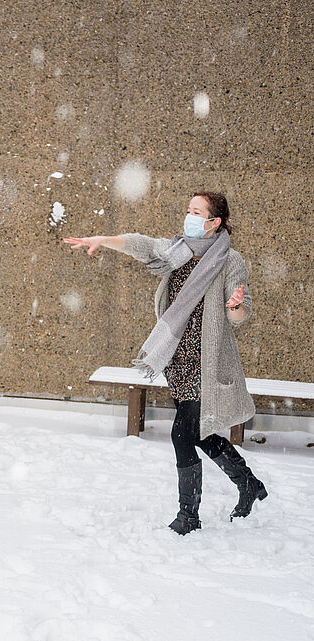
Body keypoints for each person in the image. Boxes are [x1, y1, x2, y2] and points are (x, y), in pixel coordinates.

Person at [64, 191, 267, 535]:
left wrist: (235, 306)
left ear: (214, 222)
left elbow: (241, 311)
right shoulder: (178, 250)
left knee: (181, 433)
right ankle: (248, 484)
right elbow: (142, 244)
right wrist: (102, 239)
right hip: (177, 360)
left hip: (207, 363)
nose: (188, 215)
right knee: (199, 434)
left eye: (197, 211)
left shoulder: (229, 260)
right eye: (188, 209)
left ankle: (189, 515)